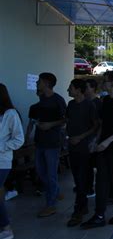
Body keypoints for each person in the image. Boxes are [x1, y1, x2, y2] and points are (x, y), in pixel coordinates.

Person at [81, 71, 113, 229]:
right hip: (102, 147)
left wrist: (108, 141)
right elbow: (102, 124)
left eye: (105, 80)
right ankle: (99, 214)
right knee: (101, 181)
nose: (103, 83)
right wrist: (96, 140)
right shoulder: (105, 101)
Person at [65, 79, 99, 227]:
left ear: (78, 90)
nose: (68, 90)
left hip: (84, 147)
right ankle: (83, 205)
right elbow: (68, 121)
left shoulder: (89, 105)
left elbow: (95, 125)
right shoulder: (71, 104)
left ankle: (78, 210)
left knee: (81, 178)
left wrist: (81, 137)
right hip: (72, 146)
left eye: (70, 88)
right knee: (76, 178)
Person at [34, 72, 67, 218]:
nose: (37, 83)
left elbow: (66, 119)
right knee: (41, 172)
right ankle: (55, 191)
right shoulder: (41, 98)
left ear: (46, 83)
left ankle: (51, 205)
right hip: (39, 140)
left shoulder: (58, 100)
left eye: (39, 81)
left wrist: (50, 125)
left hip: (52, 142)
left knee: (51, 173)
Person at [0, 84, 25, 239]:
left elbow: (19, 140)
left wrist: (1, 146)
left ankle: (6, 228)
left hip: (2, 162)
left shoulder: (10, 114)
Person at [84, 79, 102, 199]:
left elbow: (100, 123)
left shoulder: (98, 103)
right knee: (86, 165)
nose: (84, 89)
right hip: (84, 139)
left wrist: (96, 139)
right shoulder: (83, 102)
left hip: (95, 139)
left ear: (93, 88)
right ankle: (87, 186)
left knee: (95, 165)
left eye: (86, 87)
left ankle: (92, 188)